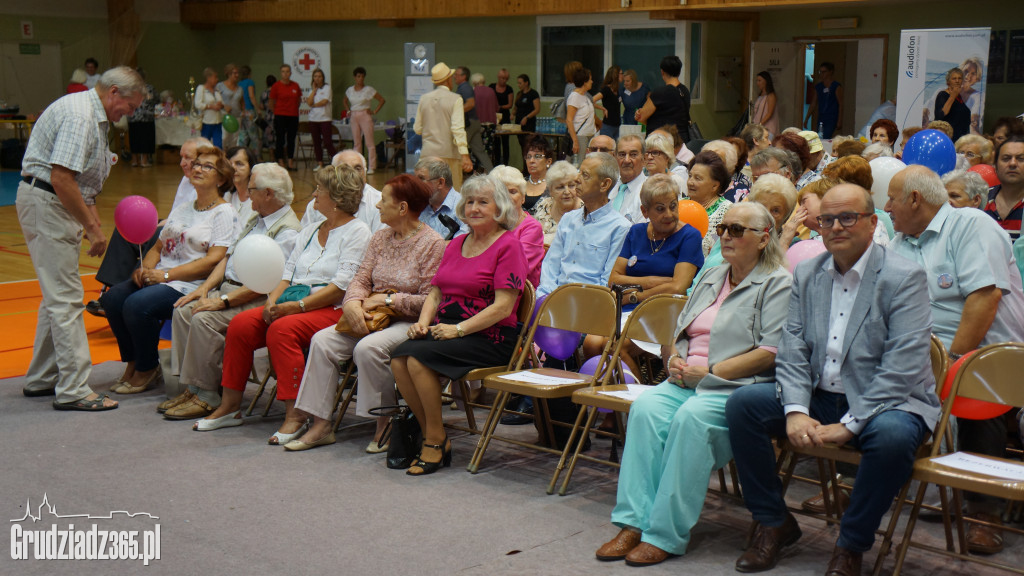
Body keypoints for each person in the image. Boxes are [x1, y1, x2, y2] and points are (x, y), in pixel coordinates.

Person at [726, 183, 940, 576]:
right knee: (743, 406)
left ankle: (851, 546)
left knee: (893, 437)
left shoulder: (904, 277)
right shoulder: (807, 272)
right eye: (827, 219)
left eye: (848, 218)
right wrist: (794, 410)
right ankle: (774, 522)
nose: (836, 227)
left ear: (873, 223)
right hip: (821, 394)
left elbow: (902, 367)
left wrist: (849, 425)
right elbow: (791, 350)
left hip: (887, 402)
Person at [596, 202, 791, 567]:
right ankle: (632, 524)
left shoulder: (777, 282)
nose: (726, 236)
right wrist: (672, 358)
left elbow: (769, 352)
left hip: (733, 387)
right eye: (723, 229)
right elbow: (681, 329)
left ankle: (665, 534)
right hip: (685, 377)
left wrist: (712, 370)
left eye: (737, 230)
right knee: (646, 409)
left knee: (691, 421)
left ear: (764, 238)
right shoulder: (713, 274)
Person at [886, 165, 1024, 555]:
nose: (886, 207)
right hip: (921, 353)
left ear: (915, 199)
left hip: (986, 352)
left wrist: (948, 364)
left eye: (893, 198)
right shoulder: (899, 241)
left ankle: (984, 511)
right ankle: (862, 482)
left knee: (975, 385)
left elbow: (985, 299)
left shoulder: (970, 225)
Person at [195, 164, 372, 442]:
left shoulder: (358, 232)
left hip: (332, 309)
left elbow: (340, 287)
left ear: (336, 199)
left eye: (320, 190)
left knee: (283, 329)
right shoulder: (311, 229)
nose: (314, 195)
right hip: (295, 301)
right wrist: (272, 301)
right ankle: (230, 406)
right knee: (241, 324)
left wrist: (297, 307)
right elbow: (287, 274)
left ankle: (296, 414)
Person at [285, 174, 445, 451]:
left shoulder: (433, 244)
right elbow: (359, 279)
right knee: (322, 341)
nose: (377, 206)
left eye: (384, 200)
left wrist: (389, 300)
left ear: (403, 208)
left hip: (406, 322)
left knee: (368, 349)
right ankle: (321, 424)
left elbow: (430, 300)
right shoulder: (380, 237)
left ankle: (384, 422)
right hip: (369, 313)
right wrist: (353, 306)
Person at [17, 66, 144, 410]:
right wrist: (91, 227)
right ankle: (74, 390)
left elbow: (80, 179)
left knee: (56, 296)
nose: (129, 115)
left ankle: (43, 377)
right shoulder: (81, 117)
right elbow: (61, 178)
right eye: (130, 107)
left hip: (54, 205)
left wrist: (92, 221)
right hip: (49, 203)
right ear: (114, 93)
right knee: (67, 299)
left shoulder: (91, 114)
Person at [390, 175, 528, 475]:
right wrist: (422, 324)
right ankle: (433, 434)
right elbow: (436, 292)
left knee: (416, 360)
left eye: (483, 201)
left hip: (491, 335)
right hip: (446, 329)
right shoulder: (454, 244)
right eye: (469, 201)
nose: (474, 207)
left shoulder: (509, 246)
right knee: (399, 358)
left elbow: (504, 307)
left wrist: (460, 329)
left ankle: (434, 440)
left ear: (500, 208)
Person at [162, 163, 301, 420]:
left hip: (257, 298)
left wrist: (222, 302)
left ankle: (207, 395)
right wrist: (204, 289)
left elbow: (268, 283)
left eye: (252, 189)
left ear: (268, 193)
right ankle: (194, 388)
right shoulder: (256, 218)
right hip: (230, 289)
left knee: (203, 318)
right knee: (184, 309)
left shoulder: (288, 231)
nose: (247, 195)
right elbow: (228, 257)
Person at [99, 145, 239, 395]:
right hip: (161, 276)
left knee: (136, 305)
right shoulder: (184, 208)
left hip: (190, 284)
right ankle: (133, 361)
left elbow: (214, 260)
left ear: (221, 178)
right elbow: (158, 245)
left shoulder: (224, 212)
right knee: (112, 299)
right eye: (197, 164)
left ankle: (147, 367)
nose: (197, 168)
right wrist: (145, 268)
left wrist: (165, 275)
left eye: (207, 166)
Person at [582, 174, 704, 375]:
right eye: (660, 208)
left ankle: (634, 402)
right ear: (644, 211)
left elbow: (677, 287)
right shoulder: (636, 232)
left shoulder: (689, 236)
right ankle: (609, 401)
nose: (669, 214)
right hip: (626, 309)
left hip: (663, 311)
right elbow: (614, 279)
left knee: (614, 347)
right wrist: (655, 281)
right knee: (591, 343)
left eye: (673, 206)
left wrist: (635, 295)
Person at [414, 63, 473, 190]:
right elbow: (457, 129)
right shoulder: (456, 99)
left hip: (427, 154)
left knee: (427, 193)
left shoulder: (424, 99)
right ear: (448, 79)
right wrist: (465, 155)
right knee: (452, 193)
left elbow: (417, 128)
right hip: (449, 154)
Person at [299, 149, 383, 233]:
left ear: (365, 172)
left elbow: (379, 242)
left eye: (358, 168)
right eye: (345, 169)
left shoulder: (379, 202)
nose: (352, 174)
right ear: (333, 175)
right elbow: (304, 236)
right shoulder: (318, 203)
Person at [489, 165, 545, 286]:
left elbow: (517, 269)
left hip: (517, 292)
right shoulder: (489, 223)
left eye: (513, 192)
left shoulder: (532, 228)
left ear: (523, 197)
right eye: (501, 192)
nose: (507, 197)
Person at [686, 151, 733, 256]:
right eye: (690, 176)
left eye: (698, 178)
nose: (690, 182)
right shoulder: (679, 204)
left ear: (715, 186)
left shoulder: (727, 211)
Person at [636, 56, 691, 141]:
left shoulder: (660, 92)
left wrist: (638, 115)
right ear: (679, 72)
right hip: (681, 139)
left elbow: (641, 117)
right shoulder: (685, 91)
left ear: (662, 72)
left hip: (660, 140)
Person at [344, 66, 385, 175]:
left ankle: (372, 166)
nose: (360, 79)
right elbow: (345, 101)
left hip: (365, 115)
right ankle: (357, 165)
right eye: (358, 76)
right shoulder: (350, 90)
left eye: (362, 76)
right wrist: (348, 110)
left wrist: (374, 111)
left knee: (369, 142)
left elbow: (381, 100)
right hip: (354, 115)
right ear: (354, 77)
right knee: (357, 142)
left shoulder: (369, 89)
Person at [415, 156, 468, 239]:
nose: (415, 184)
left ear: (440, 182)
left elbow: (461, 245)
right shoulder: (418, 206)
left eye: (421, 179)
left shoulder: (463, 206)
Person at [532, 160, 582, 244]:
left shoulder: (585, 210)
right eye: (560, 187)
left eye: (571, 186)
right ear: (551, 191)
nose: (567, 192)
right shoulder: (544, 205)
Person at [984, 136, 1024, 241]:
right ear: (995, 166)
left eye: (1021, 159)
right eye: (1006, 158)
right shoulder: (981, 199)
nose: (1013, 163)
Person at [455, 66, 493, 174]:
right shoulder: (465, 87)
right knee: (480, 151)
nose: (454, 77)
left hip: (469, 123)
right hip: (475, 122)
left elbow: (470, 104)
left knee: (458, 150)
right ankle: (493, 174)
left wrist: (455, 112)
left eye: (457, 75)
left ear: (464, 76)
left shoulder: (464, 88)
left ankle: (455, 176)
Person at [269, 64, 302, 171]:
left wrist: (293, 109)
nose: (285, 73)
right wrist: (277, 112)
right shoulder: (276, 86)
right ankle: (280, 161)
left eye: (287, 71)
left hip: (293, 116)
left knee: (291, 139)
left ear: (290, 73)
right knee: (280, 139)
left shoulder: (295, 86)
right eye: (283, 71)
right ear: (280, 73)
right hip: (280, 116)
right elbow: (271, 102)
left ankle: (290, 161)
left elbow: (299, 100)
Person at [610, 134, 647, 223]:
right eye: (622, 154)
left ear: (644, 159)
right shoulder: (607, 187)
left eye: (633, 155)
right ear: (614, 157)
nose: (626, 160)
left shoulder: (650, 191)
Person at [305, 68, 336, 171]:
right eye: (315, 76)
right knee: (316, 142)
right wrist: (314, 90)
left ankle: (337, 161)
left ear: (323, 78)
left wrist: (314, 105)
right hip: (313, 119)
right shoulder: (312, 90)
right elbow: (309, 103)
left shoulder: (327, 88)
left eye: (319, 76)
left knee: (327, 142)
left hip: (325, 119)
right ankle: (320, 163)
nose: (317, 79)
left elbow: (324, 101)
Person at [127, 68, 157, 168]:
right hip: (146, 117)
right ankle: (144, 161)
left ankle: (134, 160)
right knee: (145, 138)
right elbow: (155, 100)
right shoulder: (149, 88)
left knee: (134, 138)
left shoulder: (130, 89)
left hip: (133, 116)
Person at [567, 67, 597, 166]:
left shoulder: (585, 97)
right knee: (581, 164)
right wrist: (575, 141)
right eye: (590, 79)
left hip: (590, 134)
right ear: (584, 82)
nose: (592, 82)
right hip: (581, 135)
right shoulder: (574, 97)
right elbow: (569, 120)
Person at [804, 61, 843, 138]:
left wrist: (839, 120)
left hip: (832, 117)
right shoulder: (819, 87)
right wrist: (807, 118)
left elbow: (840, 104)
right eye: (820, 72)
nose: (822, 74)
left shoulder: (836, 86)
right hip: (821, 117)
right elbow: (813, 103)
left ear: (830, 72)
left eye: (824, 72)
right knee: (820, 136)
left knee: (826, 136)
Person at [933, 68, 972, 142]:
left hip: (960, 139)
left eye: (959, 78)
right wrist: (952, 96)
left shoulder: (959, 98)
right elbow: (940, 115)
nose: (957, 81)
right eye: (954, 78)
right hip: (947, 139)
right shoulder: (943, 95)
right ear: (948, 82)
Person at [222, 146, 257, 223]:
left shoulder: (258, 199)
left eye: (239, 164)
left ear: (251, 168)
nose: (233, 168)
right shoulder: (228, 196)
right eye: (230, 164)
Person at [472, 72, 499, 166]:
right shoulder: (491, 91)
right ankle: (486, 170)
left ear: (474, 82)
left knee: (476, 148)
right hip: (490, 124)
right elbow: (496, 108)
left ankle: (475, 170)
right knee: (488, 148)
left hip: (477, 124)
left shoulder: (473, 91)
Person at [489, 68, 515, 166]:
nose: (503, 80)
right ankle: (496, 163)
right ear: (498, 77)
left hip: (505, 117)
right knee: (495, 142)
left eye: (505, 78)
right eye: (501, 78)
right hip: (494, 117)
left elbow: (510, 104)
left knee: (505, 142)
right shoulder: (491, 87)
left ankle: (505, 163)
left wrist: (499, 107)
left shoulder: (509, 89)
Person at [194, 67, 224, 148]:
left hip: (217, 121)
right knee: (205, 145)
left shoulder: (217, 89)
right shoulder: (201, 88)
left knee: (218, 145)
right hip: (206, 122)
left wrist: (220, 105)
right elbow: (198, 104)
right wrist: (210, 106)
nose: (217, 79)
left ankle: (218, 160)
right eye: (215, 77)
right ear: (208, 78)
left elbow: (222, 102)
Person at [522, 136, 553, 214]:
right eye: (528, 157)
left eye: (537, 156)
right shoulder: (519, 183)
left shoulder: (554, 185)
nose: (531, 161)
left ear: (548, 161)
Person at [216, 64, 244, 149]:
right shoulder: (220, 86)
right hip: (225, 116)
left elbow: (242, 101)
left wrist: (243, 110)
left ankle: (232, 159)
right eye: (234, 73)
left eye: (237, 73)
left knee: (234, 140)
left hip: (237, 116)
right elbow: (216, 99)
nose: (237, 75)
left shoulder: (240, 88)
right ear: (228, 74)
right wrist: (224, 106)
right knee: (224, 138)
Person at [513, 74, 541, 155]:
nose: (518, 85)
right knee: (522, 145)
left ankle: (528, 165)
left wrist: (527, 117)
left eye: (520, 83)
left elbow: (537, 109)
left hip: (529, 124)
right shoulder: (519, 94)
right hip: (519, 124)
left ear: (526, 83)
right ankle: (524, 165)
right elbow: (516, 107)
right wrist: (512, 114)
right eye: (518, 83)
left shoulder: (533, 94)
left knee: (528, 145)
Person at [594, 65, 621, 140]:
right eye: (621, 74)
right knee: (607, 149)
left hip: (616, 125)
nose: (623, 76)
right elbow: (591, 100)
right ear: (615, 75)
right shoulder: (606, 89)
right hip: (608, 125)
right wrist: (602, 108)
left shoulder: (617, 90)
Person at [751, 71, 780, 138]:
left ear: (766, 81)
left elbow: (770, 113)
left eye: (759, 80)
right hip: (758, 128)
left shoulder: (771, 96)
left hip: (768, 129)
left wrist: (760, 124)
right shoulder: (760, 95)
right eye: (757, 81)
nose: (757, 83)